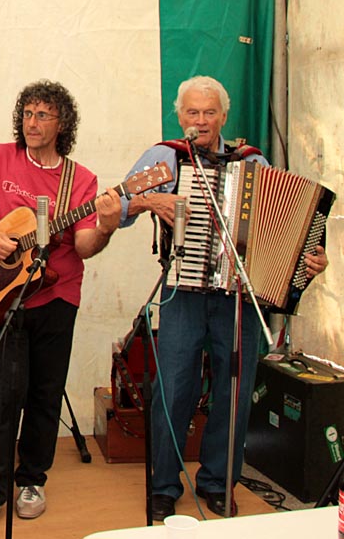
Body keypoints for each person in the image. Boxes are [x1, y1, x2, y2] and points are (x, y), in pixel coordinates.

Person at [117, 75, 328, 521]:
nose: (200, 120)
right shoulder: (165, 156)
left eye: (209, 112)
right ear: (180, 116)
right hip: (182, 291)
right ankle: (163, 485)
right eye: (192, 112)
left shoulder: (253, 162)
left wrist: (307, 259)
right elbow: (116, 210)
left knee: (235, 390)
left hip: (239, 297)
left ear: (223, 117)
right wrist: (150, 203)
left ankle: (218, 480)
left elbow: (284, 225)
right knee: (174, 387)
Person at [0, 80, 121, 533]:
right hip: (6, 300)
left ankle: (32, 482)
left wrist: (106, 226)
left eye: (43, 115)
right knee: (4, 397)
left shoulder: (80, 180)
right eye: (27, 113)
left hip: (58, 298)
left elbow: (84, 246)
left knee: (45, 394)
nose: (32, 122)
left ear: (63, 124)